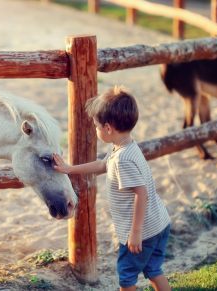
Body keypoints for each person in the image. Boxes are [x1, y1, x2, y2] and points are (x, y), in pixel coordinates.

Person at [53, 86, 171, 291]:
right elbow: (101, 165)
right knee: (153, 269)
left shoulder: (122, 160)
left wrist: (135, 233)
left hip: (142, 232)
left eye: (96, 126)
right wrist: (69, 169)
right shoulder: (125, 147)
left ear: (108, 128)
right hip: (159, 223)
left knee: (126, 277)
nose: (96, 129)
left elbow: (140, 194)